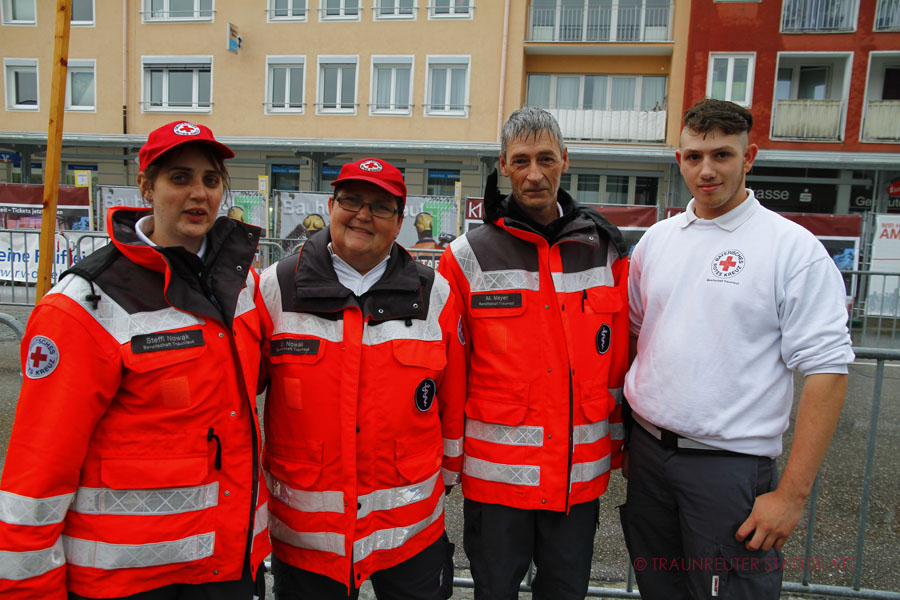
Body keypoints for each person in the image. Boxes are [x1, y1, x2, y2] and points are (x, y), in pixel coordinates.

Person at [0, 121, 271, 599]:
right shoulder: (85, 303)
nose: (199, 194)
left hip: (225, 566)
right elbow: (39, 469)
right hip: (125, 578)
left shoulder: (242, 285)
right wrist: (30, 589)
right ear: (146, 186)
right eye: (180, 178)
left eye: (211, 180)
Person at [621, 99, 855, 599]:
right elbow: (637, 337)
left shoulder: (793, 249)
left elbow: (829, 372)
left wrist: (791, 496)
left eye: (722, 155)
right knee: (660, 589)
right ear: (679, 159)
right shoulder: (656, 242)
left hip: (729, 469)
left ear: (749, 158)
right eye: (694, 156)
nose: (706, 170)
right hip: (649, 458)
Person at [438, 107, 630, 599]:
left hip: (576, 477)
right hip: (496, 482)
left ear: (565, 159)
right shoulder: (465, 257)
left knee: (566, 593)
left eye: (546, 159)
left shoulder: (605, 250)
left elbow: (616, 363)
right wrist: (449, 461)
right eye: (521, 160)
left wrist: (618, 445)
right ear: (503, 165)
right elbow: (453, 371)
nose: (534, 174)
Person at [260, 157, 466, 599]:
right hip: (309, 538)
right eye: (351, 201)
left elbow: (452, 400)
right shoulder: (275, 287)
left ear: (399, 222)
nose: (362, 215)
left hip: (410, 530)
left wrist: (448, 473)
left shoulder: (435, 294)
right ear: (331, 206)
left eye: (380, 207)